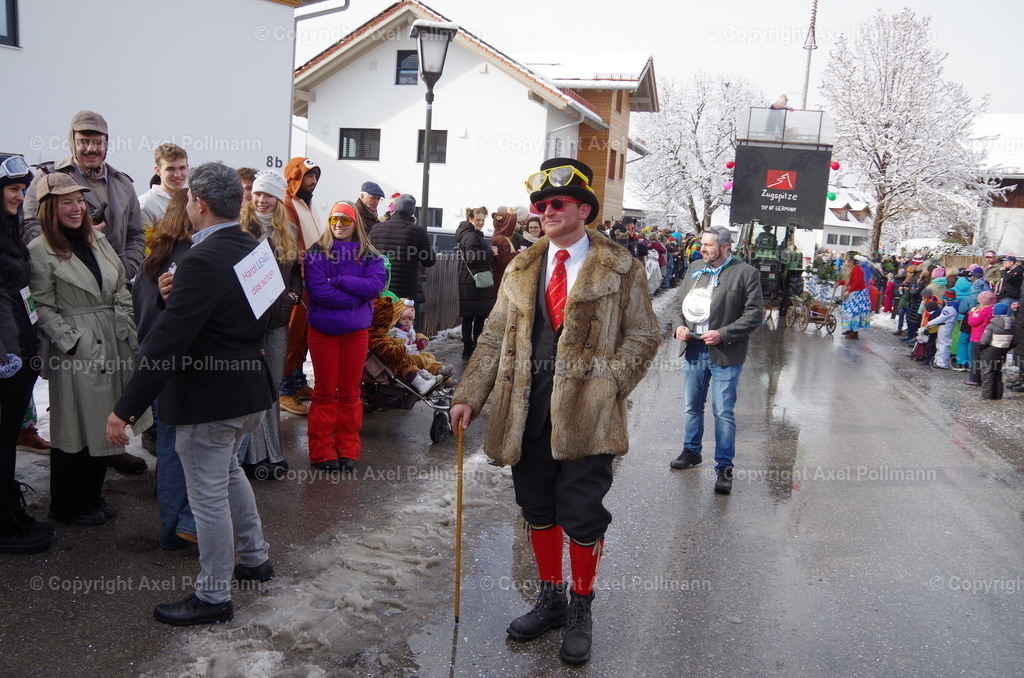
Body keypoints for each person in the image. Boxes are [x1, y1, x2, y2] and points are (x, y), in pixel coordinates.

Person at [450, 157, 660, 666]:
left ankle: (582, 606)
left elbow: (645, 334)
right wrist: (469, 394)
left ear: (583, 209)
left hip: (589, 417)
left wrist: (610, 383)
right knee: (537, 509)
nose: (545, 212)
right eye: (539, 205)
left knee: (583, 514)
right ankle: (551, 599)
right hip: (526, 412)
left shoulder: (620, 266)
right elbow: (496, 335)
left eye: (556, 204)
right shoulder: (520, 267)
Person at [107, 161, 277, 626]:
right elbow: (265, 315)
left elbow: (166, 344)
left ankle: (214, 595)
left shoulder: (199, 260)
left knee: (207, 495)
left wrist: (125, 409)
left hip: (211, 396)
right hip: (248, 391)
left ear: (198, 204)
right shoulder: (255, 247)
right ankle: (256, 558)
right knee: (227, 477)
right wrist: (172, 299)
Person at [22, 110, 147, 475]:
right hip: (68, 298)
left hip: (110, 292)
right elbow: (30, 225)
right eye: (84, 141)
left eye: (98, 142)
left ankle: (107, 449)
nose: (91, 148)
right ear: (72, 142)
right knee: (75, 392)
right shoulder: (49, 178)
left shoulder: (122, 184)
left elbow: (137, 235)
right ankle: (78, 460)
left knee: (109, 384)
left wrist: (123, 268)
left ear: (107, 144)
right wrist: (65, 251)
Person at [28, 173, 148, 526]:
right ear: (50, 208)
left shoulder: (96, 238)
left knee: (102, 423)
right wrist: (71, 340)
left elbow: (119, 285)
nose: (77, 207)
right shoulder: (40, 251)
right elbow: (40, 306)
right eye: (66, 201)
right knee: (72, 429)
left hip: (112, 339)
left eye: (80, 200)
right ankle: (67, 506)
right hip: (77, 352)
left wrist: (127, 321)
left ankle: (92, 497)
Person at [670, 226, 763, 494]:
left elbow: (754, 314)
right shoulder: (695, 267)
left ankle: (724, 469)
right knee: (692, 406)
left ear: (725, 247)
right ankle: (691, 452)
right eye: (702, 244)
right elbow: (678, 304)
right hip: (694, 349)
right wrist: (678, 326)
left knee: (722, 411)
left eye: (708, 245)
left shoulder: (746, 273)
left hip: (725, 352)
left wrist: (723, 334)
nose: (702, 249)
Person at [131, 189, 197, 548]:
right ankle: (183, 525)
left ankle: (173, 525)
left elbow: (141, 320)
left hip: (157, 363)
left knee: (170, 447)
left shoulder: (152, 260)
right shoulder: (193, 257)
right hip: (184, 366)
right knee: (185, 448)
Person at [304, 201, 387, 474]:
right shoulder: (316, 253)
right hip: (323, 333)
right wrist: (356, 295)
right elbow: (318, 292)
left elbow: (375, 286)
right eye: (334, 220)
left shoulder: (371, 256)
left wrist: (340, 281)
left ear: (355, 224)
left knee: (351, 393)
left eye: (345, 220)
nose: (339, 225)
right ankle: (321, 450)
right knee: (325, 392)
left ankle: (347, 449)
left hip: (355, 334)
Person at [0, 154, 53, 553]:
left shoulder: (8, 230)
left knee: (6, 438)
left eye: (22, 189)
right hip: (6, 358)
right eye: (13, 190)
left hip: (20, 350)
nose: (20, 197)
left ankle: (7, 512)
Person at [238, 170, 302, 480]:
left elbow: (297, 272)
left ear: (278, 199)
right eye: (258, 194)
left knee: (272, 386)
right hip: (247, 321)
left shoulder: (287, 229)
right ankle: (251, 456)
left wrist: (293, 296)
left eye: (269, 196)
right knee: (251, 387)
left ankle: (271, 452)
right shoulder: (240, 229)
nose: (262, 200)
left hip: (277, 321)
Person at [279, 157, 322, 416]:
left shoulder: (307, 204)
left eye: (316, 177)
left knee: (304, 335)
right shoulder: (287, 204)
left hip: (312, 278)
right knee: (293, 335)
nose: (313, 182)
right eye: (309, 176)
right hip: (298, 278)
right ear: (296, 176)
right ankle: (284, 390)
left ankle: (297, 382)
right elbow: (293, 244)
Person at [368, 193, 436, 322]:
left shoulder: (376, 228)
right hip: (406, 291)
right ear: (412, 212)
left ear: (395, 208)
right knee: (403, 329)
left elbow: (367, 256)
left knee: (382, 328)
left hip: (381, 288)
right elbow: (429, 261)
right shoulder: (418, 231)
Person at [456, 206, 496, 358]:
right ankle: (470, 348)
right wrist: (490, 252)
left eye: (482, 220)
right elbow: (471, 258)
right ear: (470, 219)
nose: (480, 223)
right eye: (477, 220)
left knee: (473, 315)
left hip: (471, 280)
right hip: (472, 281)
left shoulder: (470, 234)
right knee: (474, 316)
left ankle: (471, 347)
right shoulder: (471, 236)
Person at [139, 143, 189, 250]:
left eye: (182, 168)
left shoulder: (195, 199)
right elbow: (143, 248)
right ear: (157, 170)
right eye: (170, 169)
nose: (177, 174)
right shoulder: (146, 204)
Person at [979, 303, 1016, 399]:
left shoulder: (991, 326)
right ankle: (998, 395)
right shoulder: (1012, 325)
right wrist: (1005, 347)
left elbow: (984, 341)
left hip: (989, 353)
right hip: (1002, 353)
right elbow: (1015, 341)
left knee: (988, 375)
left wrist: (981, 348)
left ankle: (987, 396)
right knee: (998, 373)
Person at [964, 291, 997, 388]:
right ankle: (985, 378)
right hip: (989, 337)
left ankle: (974, 379)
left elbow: (972, 322)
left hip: (978, 336)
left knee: (975, 358)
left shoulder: (983, 311)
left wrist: (972, 312)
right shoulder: (994, 309)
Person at [835, 252, 871, 340]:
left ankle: (855, 332)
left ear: (852, 260)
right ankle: (850, 329)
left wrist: (849, 291)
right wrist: (839, 283)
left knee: (855, 313)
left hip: (858, 294)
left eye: (848, 260)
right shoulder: (853, 268)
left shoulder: (857, 269)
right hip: (854, 292)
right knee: (849, 312)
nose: (846, 261)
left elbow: (858, 282)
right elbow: (850, 281)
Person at [490, 206, 519, 288]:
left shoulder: (497, 236)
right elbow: (503, 262)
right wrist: (518, 253)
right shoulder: (501, 239)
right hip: (501, 279)